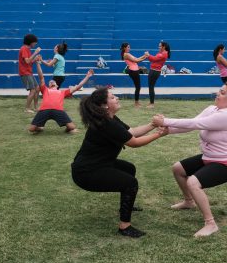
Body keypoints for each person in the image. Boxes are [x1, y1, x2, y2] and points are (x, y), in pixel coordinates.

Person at [152, 82, 227, 237]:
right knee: (178, 169)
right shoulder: (213, 109)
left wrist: (165, 121)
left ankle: (211, 224)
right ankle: (189, 201)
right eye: (219, 91)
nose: (218, 94)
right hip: (209, 158)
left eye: (223, 93)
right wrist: (168, 131)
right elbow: (192, 124)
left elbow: (195, 124)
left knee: (193, 182)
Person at [71, 87, 168, 238]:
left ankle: (126, 204)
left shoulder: (109, 118)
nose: (117, 98)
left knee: (129, 169)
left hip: (99, 164)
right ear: (104, 105)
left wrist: (153, 125)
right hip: (86, 173)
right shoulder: (106, 123)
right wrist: (159, 134)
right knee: (130, 183)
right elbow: (134, 142)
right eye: (112, 97)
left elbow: (132, 132)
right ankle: (125, 227)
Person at [29, 60, 94, 134]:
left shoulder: (62, 92)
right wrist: (37, 63)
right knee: (31, 129)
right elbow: (41, 77)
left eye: (53, 82)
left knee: (72, 127)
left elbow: (77, 87)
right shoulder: (45, 89)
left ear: (57, 85)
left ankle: (67, 128)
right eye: (50, 82)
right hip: (44, 110)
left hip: (58, 110)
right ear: (49, 85)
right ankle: (39, 128)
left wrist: (87, 76)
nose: (51, 82)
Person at [120, 42, 148, 107]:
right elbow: (136, 61)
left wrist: (145, 56)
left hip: (135, 71)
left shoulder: (127, 54)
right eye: (128, 47)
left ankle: (137, 102)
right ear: (124, 48)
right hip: (133, 71)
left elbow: (137, 59)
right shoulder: (126, 54)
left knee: (138, 87)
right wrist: (145, 57)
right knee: (138, 87)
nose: (129, 48)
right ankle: (136, 103)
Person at [19, 34, 41, 113]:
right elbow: (27, 61)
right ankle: (27, 108)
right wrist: (35, 53)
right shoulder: (24, 49)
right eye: (34, 42)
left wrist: (35, 59)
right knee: (33, 90)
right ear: (30, 42)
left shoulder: (27, 49)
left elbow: (29, 61)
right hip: (25, 73)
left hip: (28, 72)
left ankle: (35, 107)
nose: (35, 44)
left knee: (37, 88)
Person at [146, 41, 170, 108]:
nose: (158, 47)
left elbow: (153, 59)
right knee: (151, 87)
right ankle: (151, 102)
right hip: (154, 71)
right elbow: (153, 59)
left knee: (151, 87)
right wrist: (149, 56)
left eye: (160, 46)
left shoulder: (164, 53)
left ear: (164, 47)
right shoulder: (161, 53)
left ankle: (152, 104)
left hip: (154, 71)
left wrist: (148, 55)